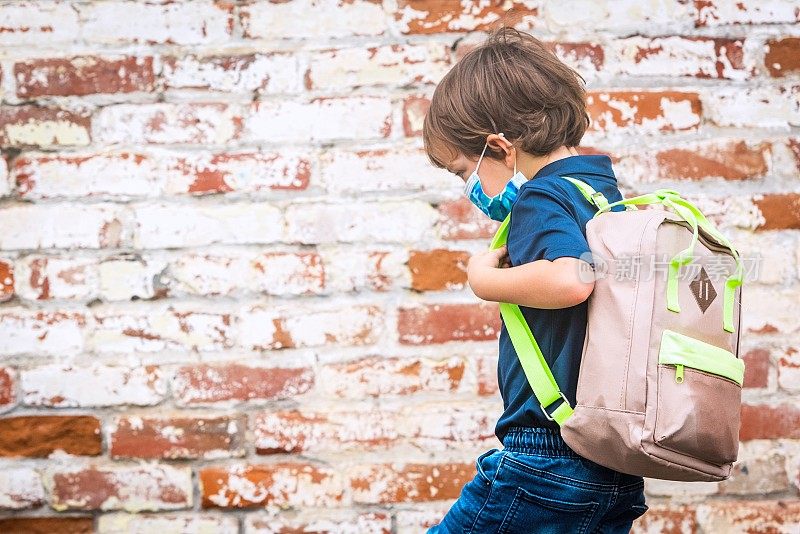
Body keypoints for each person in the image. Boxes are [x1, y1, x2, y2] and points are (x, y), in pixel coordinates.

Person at [422, 26, 649, 533]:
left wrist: (483, 280)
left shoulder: (540, 198)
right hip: (610, 458)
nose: (469, 190)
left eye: (464, 171)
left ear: (501, 148)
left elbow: (572, 279)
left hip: (547, 458)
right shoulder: (596, 190)